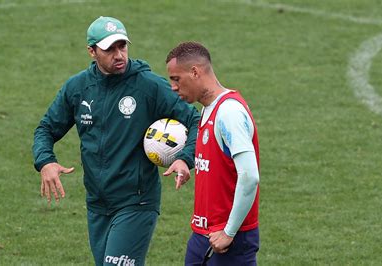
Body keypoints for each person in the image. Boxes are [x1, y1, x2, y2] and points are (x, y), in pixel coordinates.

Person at [32, 17, 200, 265]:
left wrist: (185, 159)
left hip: (136, 202)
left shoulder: (149, 86)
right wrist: (45, 161)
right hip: (98, 204)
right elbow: (45, 128)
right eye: (109, 49)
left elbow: (196, 120)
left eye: (122, 46)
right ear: (92, 51)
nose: (119, 54)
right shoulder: (78, 88)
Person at [166, 42, 260, 265]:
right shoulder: (208, 109)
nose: (173, 87)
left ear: (195, 72)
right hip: (203, 233)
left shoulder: (229, 113)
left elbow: (249, 176)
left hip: (228, 240)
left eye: (176, 79)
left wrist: (228, 232)